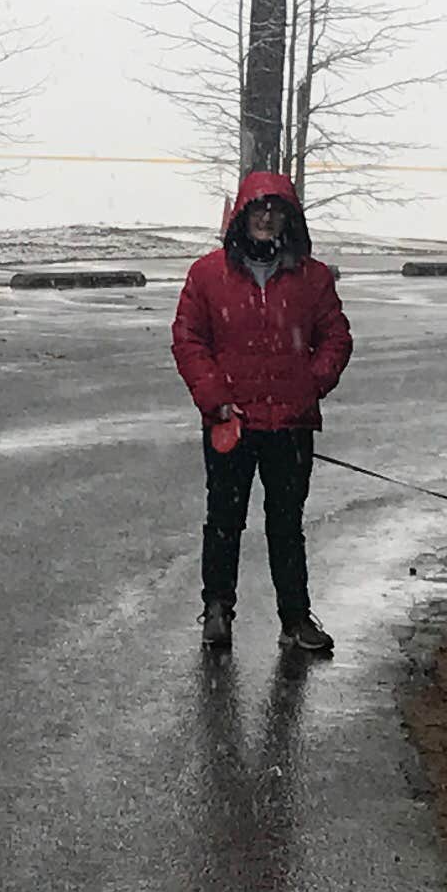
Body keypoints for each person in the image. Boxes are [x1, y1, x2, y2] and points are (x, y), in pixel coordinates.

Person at [169, 171, 354, 660]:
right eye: (258, 208)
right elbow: (189, 340)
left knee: (286, 524)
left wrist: (309, 384)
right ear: (242, 216)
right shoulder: (207, 275)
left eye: (276, 210)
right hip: (232, 424)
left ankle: (295, 620)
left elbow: (336, 339)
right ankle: (217, 611)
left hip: (290, 427)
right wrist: (216, 400)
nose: (267, 217)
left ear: (289, 219)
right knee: (224, 520)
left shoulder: (313, 278)